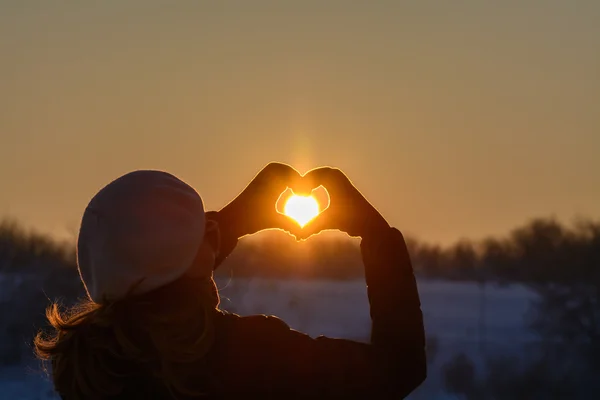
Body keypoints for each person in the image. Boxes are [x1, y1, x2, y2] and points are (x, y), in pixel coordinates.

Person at [35, 162, 426, 399]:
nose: (213, 230)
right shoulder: (249, 357)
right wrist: (376, 235)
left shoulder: (85, 369)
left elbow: (158, 279)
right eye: (202, 231)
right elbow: (397, 369)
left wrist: (229, 223)